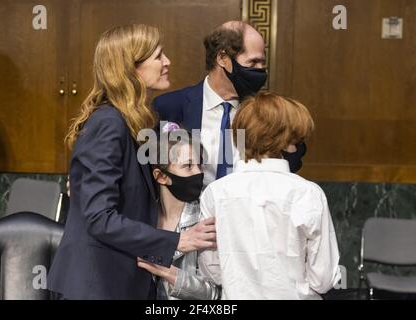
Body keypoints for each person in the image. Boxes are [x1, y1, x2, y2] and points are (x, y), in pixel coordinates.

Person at [47, 25, 216, 300]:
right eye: (159, 56)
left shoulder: (141, 121)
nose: (167, 62)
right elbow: (100, 218)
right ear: (130, 68)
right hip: (96, 285)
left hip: (120, 282)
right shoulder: (108, 123)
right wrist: (177, 241)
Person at [198, 91, 341, 300]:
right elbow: (324, 278)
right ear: (284, 140)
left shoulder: (215, 193)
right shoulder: (308, 193)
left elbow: (212, 270)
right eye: (295, 136)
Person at [153, 21, 307, 187]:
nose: (260, 71)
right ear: (222, 58)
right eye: (253, 62)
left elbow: (292, 164)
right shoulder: (169, 106)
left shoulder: (267, 113)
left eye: (262, 63)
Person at [137, 122, 221, 300]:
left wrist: (173, 275)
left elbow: (217, 294)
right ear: (161, 176)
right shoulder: (140, 219)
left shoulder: (206, 220)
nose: (198, 173)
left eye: (200, 165)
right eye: (188, 166)